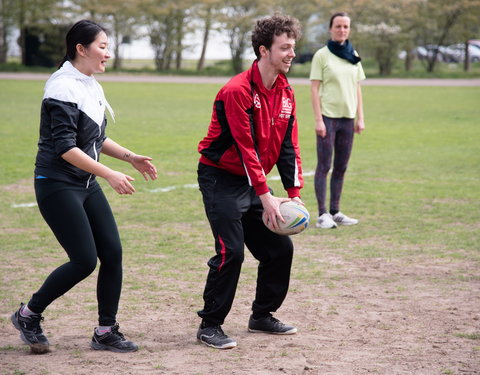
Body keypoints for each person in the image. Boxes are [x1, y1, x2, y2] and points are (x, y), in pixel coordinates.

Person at [10, 20, 157, 354]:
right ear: (81, 48)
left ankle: (106, 331)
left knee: (113, 253)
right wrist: (108, 174)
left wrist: (129, 157)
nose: (108, 53)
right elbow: (64, 146)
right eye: (102, 46)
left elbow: (94, 137)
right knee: (84, 260)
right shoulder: (62, 86)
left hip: (84, 181)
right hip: (57, 183)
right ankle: (28, 314)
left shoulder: (89, 84)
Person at [196, 14, 304, 349]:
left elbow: (289, 146)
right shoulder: (236, 90)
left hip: (251, 181)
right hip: (221, 178)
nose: (291, 54)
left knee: (279, 248)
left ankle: (261, 316)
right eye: (284, 47)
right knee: (232, 252)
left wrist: (293, 194)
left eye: (292, 47)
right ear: (263, 50)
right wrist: (266, 195)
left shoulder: (285, 90)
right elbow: (245, 148)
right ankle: (210, 326)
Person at [309, 12, 365, 229]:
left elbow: (357, 87)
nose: (342, 30)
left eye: (346, 26)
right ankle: (322, 214)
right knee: (324, 165)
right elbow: (314, 89)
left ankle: (335, 211)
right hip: (328, 118)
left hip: (348, 120)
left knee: (341, 166)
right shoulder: (322, 55)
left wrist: (360, 117)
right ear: (330, 29)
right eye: (338, 26)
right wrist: (318, 120)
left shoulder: (353, 54)